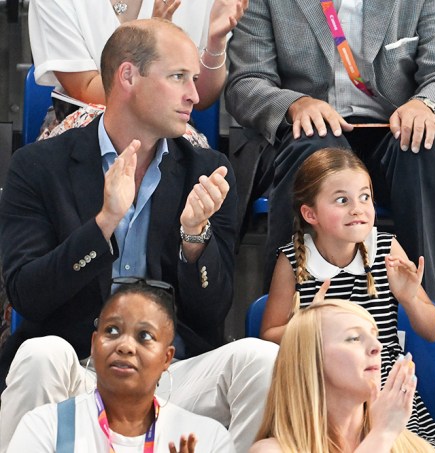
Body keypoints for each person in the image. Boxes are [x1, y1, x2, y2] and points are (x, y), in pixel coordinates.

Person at [0, 19, 277, 453]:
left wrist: (194, 237)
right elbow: (28, 295)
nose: (193, 94)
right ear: (128, 76)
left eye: (194, 79)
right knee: (39, 356)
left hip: (172, 373)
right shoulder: (37, 167)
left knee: (261, 360)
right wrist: (104, 223)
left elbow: (212, 311)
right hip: (77, 364)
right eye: (178, 77)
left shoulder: (206, 169)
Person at [224, 0, 435, 303]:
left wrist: (425, 105)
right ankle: (290, 321)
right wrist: (293, 104)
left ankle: (427, 318)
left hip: (391, 131)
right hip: (309, 132)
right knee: (313, 150)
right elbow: (246, 83)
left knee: (423, 150)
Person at [262, 148, 435, 451]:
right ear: (310, 214)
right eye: (342, 200)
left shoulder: (385, 247)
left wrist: (410, 298)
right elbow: (268, 336)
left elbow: (433, 330)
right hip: (323, 397)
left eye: (364, 197)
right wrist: (310, 323)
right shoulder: (294, 260)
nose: (358, 209)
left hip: (382, 390)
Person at [7, 280, 236, 452]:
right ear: (94, 344)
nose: (125, 346)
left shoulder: (207, 439)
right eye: (112, 331)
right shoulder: (45, 426)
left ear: (167, 358)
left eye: (144, 335)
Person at [28, 0, 246, 141]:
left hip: (168, 124)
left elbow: (200, 97)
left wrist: (216, 42)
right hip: (83, 121)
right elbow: (84, 88)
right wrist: (151, 43)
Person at [251, 299, 435, 453]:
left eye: (374, 335)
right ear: (309, 359)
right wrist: (382, 434)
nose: (377, 346)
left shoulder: (417, 448)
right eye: (354, 338)